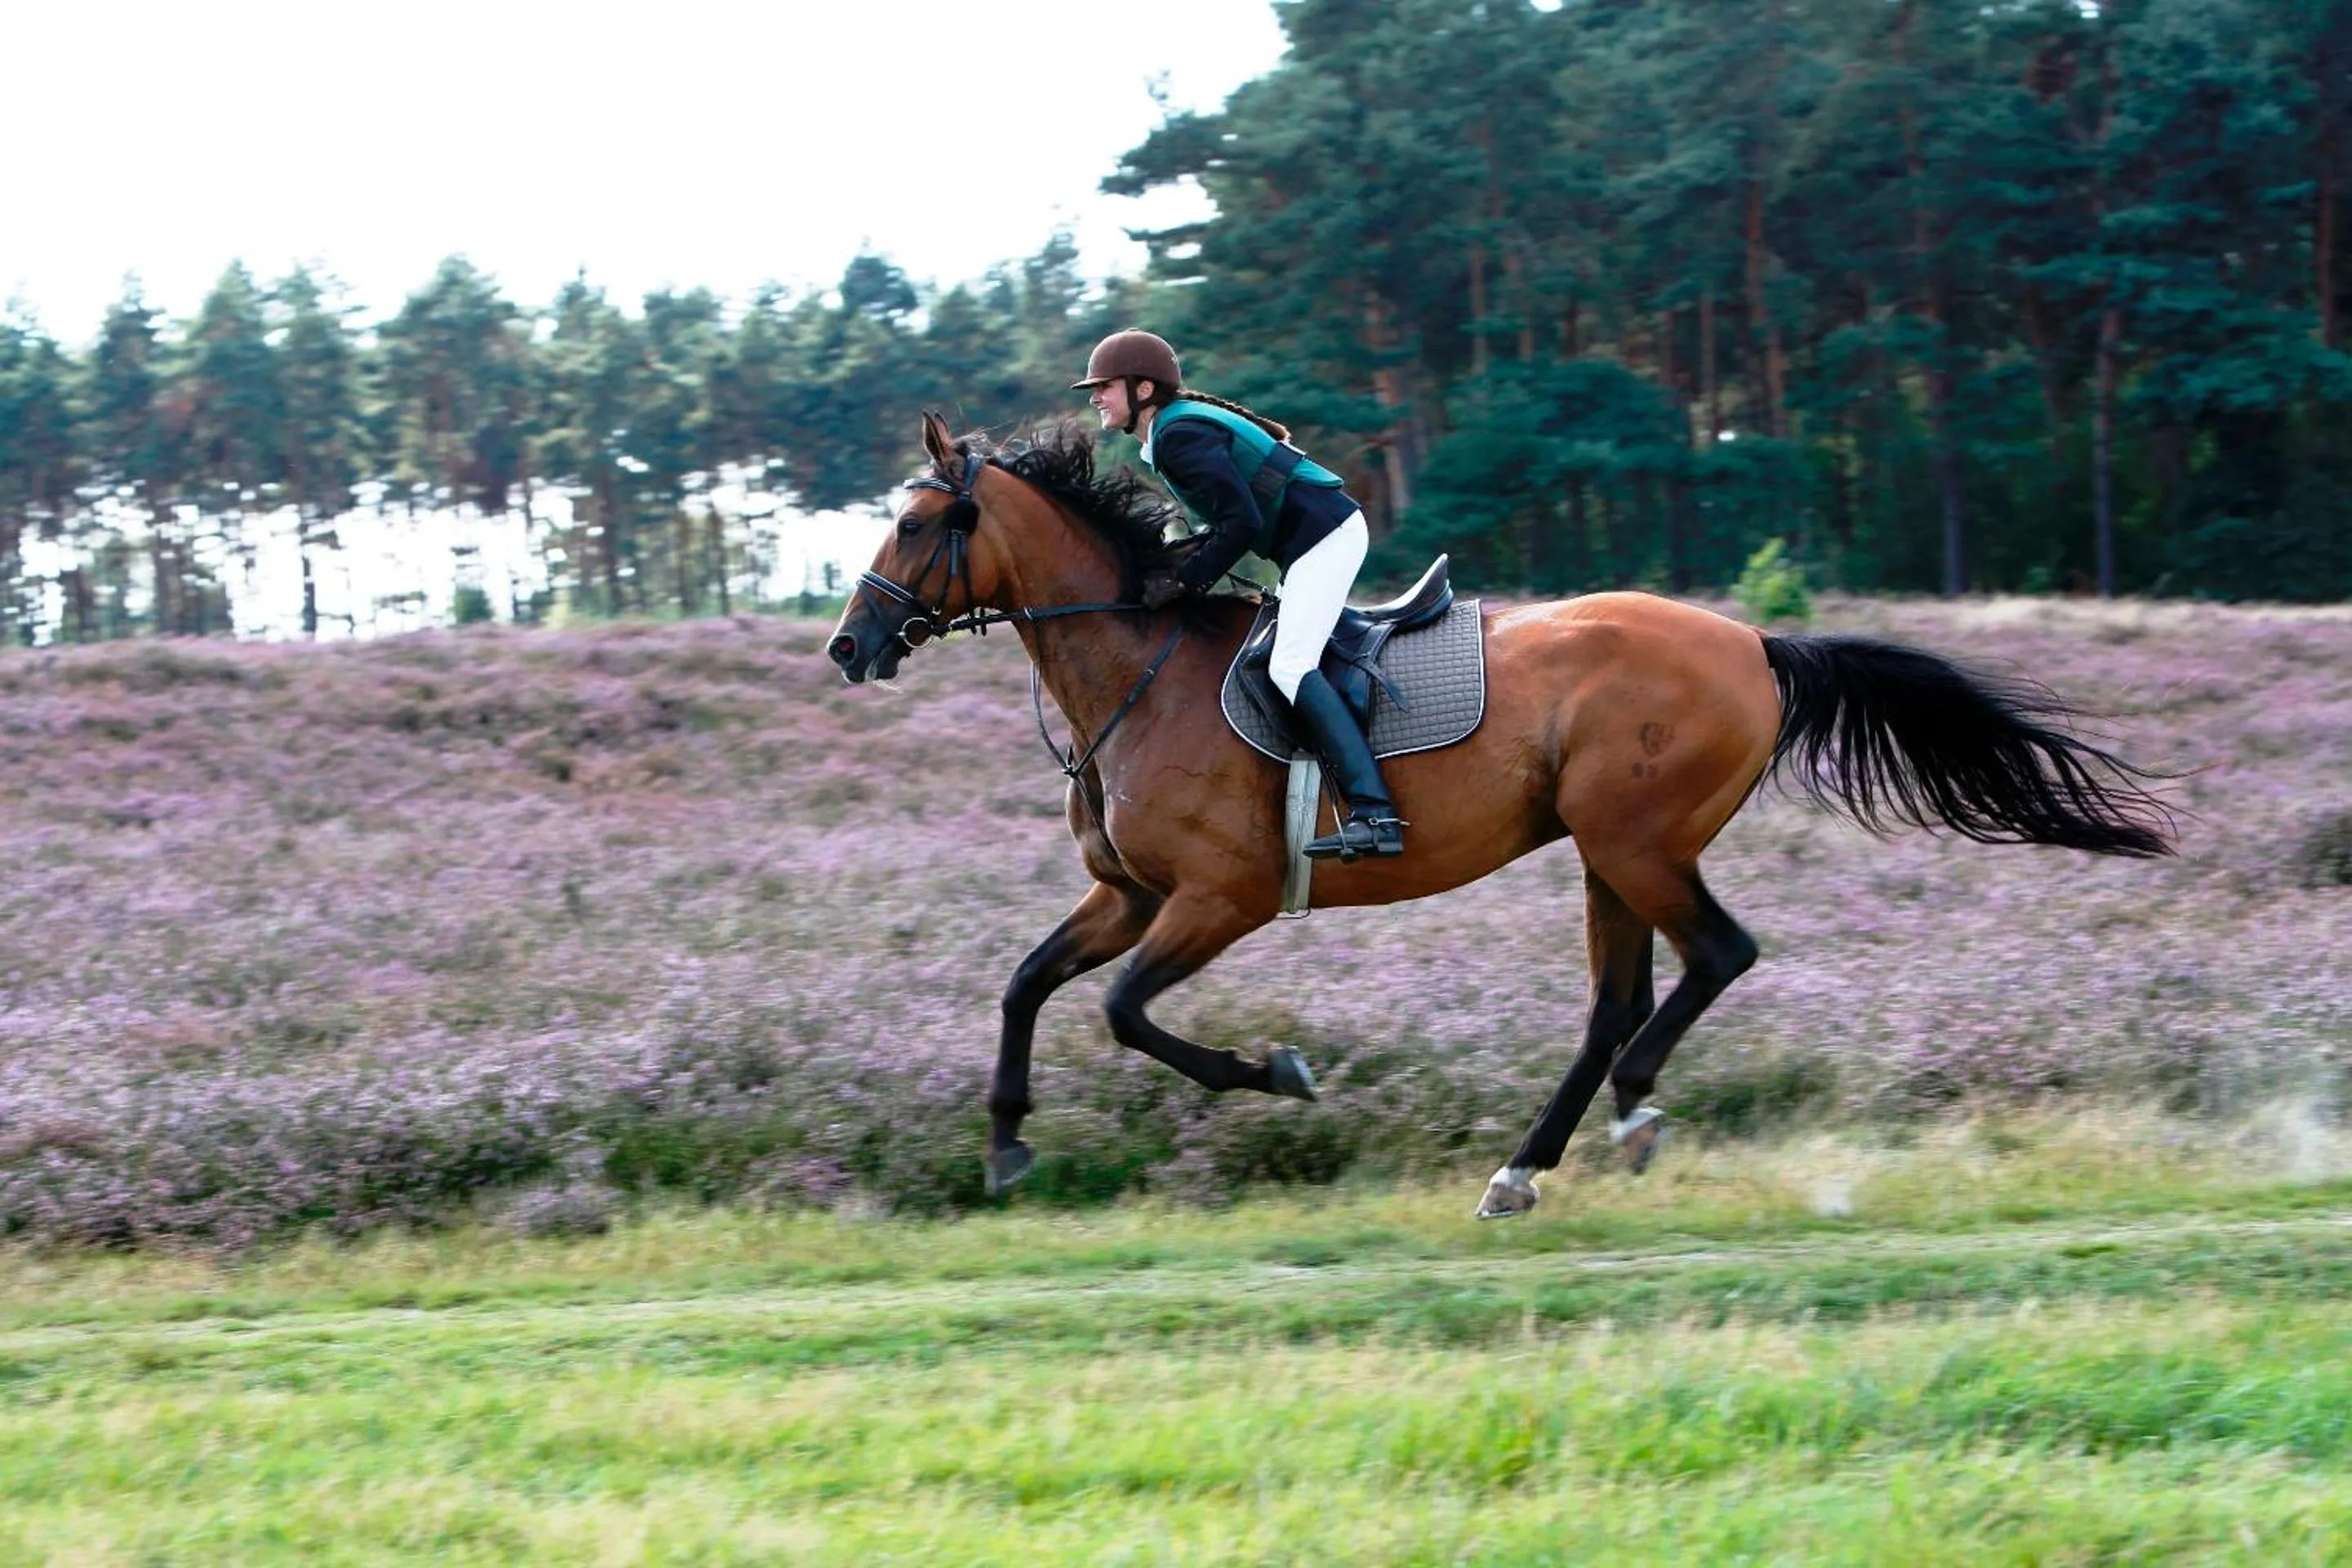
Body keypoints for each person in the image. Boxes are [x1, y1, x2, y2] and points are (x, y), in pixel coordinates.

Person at [1072, 329, 1405, 860]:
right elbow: (1232, 521)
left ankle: (1376, 815)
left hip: (1327, 538)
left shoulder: (1179, 436)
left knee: (1290, 666)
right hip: (1311, 542)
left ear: (1142, 389)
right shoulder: (1172, 430)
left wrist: (1187, 581)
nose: (1095, 397)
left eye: (1104, 386)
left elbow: (1242, 522)